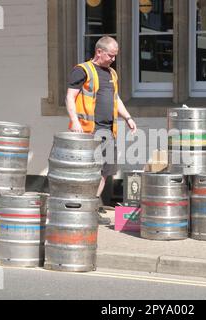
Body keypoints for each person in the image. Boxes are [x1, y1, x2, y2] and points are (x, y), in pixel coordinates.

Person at [66, 36, 137, 224]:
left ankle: (92, 207)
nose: (113, 59)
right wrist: (75, 122)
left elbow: (116, 99)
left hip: (108, 130)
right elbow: (70, 97)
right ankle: (82, 208)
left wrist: (128, 117)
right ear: (99, 52)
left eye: (115, 56)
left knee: (105, 170)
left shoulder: (112, 74)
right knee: (87, 170)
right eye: (111, 55)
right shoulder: (82, 70)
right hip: (89, 130)